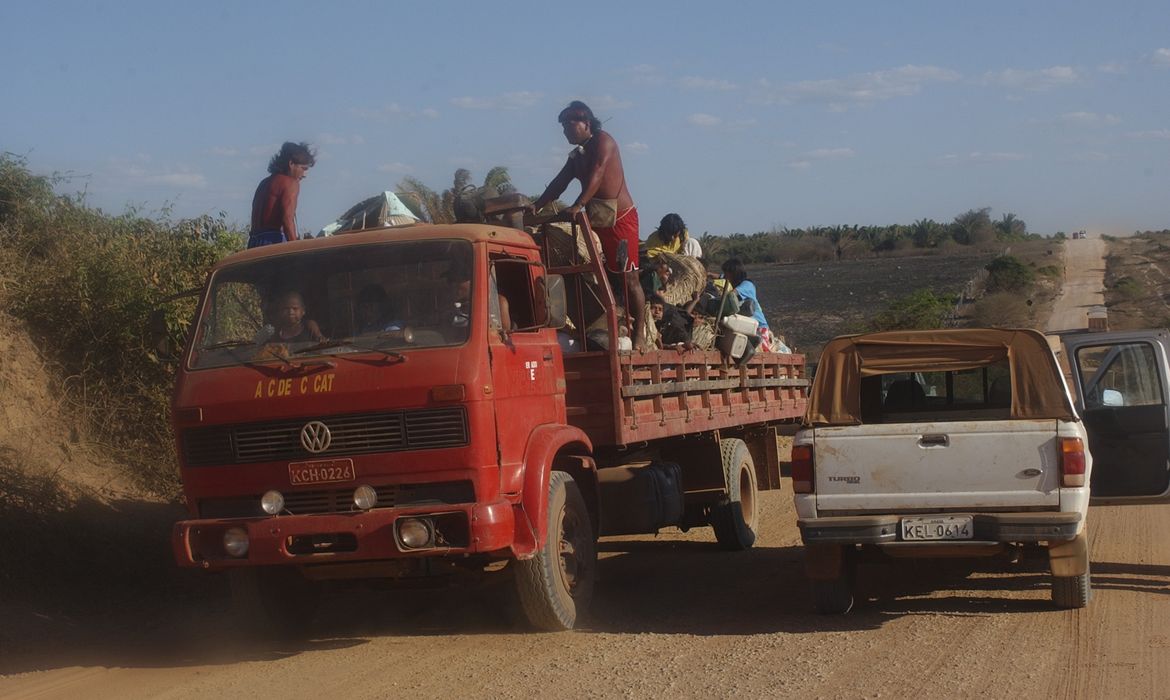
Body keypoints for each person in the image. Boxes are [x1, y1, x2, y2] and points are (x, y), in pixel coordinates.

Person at [532, 101, 645, 348]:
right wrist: (537, 206)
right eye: (563, 127)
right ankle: (609, 324)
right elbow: (559, 182)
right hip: (596, 219)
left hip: (620, 218)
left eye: (568, 126)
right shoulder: (577, 155)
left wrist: (578, 204)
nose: (565, 132)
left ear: (586, 124)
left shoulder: (603, 141)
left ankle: (640, 335)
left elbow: (599, 172)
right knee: (597, 273)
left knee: (629, 278)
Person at [249, 142, 316, 249]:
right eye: (303, 169)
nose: (304, 175)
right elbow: (287, 220)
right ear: (291, 164)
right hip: (273, 241)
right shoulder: (290, 183)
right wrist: (296, 249)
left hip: (253, 242)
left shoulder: (263, 183)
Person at [719, 258, 777, 352]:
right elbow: (721, 276)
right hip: (744, 326)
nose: (725, 276)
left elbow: (732, 294)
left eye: (727, 273)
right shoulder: (734, 283)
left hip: (759, 328)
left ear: (734, 273)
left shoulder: (747, 285)